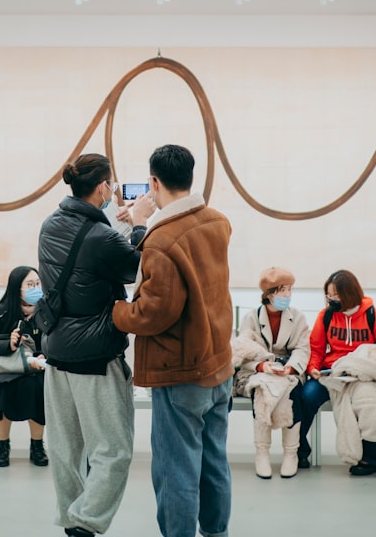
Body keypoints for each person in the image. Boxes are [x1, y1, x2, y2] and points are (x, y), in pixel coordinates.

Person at [112, 144, 233, 537]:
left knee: (175, 469)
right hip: (218, 363)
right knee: (214, 463)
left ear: (153, 182)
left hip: (180, 371)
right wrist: (142, 230)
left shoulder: (162, 242)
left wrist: (116, 311)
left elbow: (153, 313)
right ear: (192, 177)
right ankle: (217, 531)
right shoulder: (216, 221)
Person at [38, 152, 154, 537]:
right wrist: (139, 224)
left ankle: (72, 520)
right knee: (113, 449)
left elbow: (88, 261)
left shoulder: (50, 225)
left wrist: (119, 227)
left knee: (66, 449)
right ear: (104, 187)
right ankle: (86, 525)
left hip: (56, 353)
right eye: (112, 183)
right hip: (95, 357)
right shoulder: (102, 236)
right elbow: (137, 269)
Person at [299, 269, 376, 475]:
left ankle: (372, 459)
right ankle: (299, 449)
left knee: (369, 403)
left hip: (362, 374)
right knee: (306, 396)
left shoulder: (373, 316)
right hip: (332, 372)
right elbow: (315, 348)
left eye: (336, 295)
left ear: (349, 293)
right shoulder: (325, 316)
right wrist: (313, 369)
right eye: (329, 295)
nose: (331, 299)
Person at [231, 266, 310, 478]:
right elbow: (241, 349)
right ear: (270, 293)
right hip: (260, 371)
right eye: (283, 290)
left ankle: (290, 453)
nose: (288, 295)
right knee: (261, 390)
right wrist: (261, 366)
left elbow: (303, 349)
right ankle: (262, 453)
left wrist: (290, 367)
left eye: (290, 289)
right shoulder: (251, 318)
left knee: (293, 393)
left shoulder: (298, 317)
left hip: (288, 371)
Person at [0, 265, 49, 468]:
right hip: (10, 369)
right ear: (17, 289)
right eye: (30, 285)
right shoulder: (4, 311)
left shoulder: (47, 309)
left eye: (38, 284)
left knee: (36, 389)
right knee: (2, 390)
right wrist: (9, 343)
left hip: (38, 370)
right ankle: (3, 446)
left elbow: (58, 339)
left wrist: (44, 355)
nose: (36, 289)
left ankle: (37, 446)